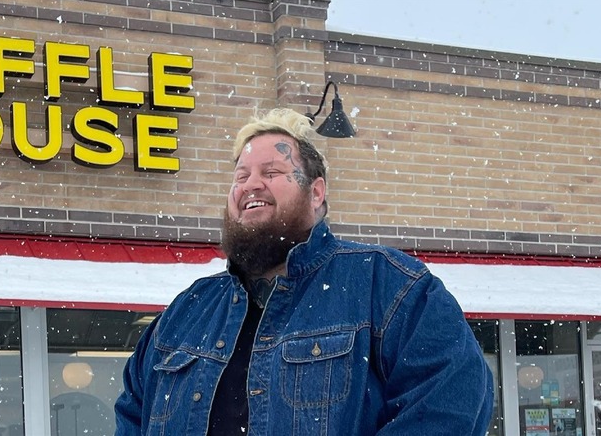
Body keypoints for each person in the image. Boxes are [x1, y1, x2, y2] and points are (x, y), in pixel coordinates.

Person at [115, 108, 494, 435]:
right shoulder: (186, 312)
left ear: (315, 193)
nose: (251, 184)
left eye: (272, 170)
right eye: (241, 175)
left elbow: (452, 403)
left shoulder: (389, 286)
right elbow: (132, 414)